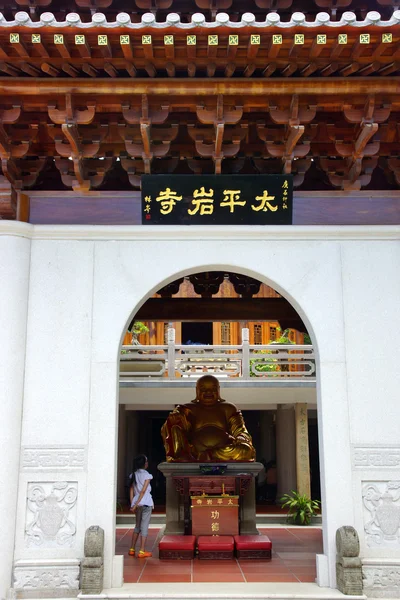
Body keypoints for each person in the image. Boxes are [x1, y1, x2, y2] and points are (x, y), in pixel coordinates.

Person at [161, 375, 255, 462]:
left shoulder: (228, 408)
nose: (208, 392)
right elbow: (174, 428)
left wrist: (241, 437)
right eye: (203, 389)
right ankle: (199, 455)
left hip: (224, 450)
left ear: (218, 390)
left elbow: (240, 430)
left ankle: (207, 455)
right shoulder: (188, 409)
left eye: (213, 389)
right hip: (193, 451)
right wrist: (175, 419)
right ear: (197, 391)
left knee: (246, 450)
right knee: (174, 427)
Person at [128, 454, 154, 558]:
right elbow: (143, 491)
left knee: (137, 526)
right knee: (144, 527)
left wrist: (133, 504)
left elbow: (131, 489)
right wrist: (137, 503)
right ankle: (142, 551)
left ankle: (132, 549)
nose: (147, 463)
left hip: (136, 503)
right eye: (146, 461)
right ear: (144, 464)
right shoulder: (147, 475)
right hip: (146, 503)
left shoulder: (133, 475)